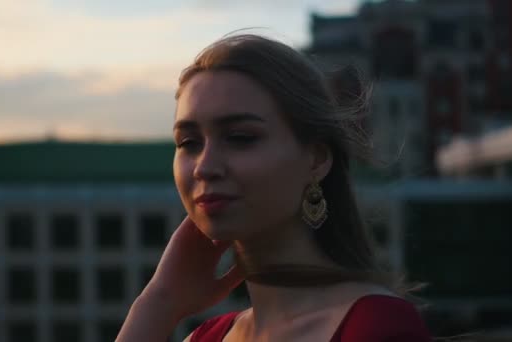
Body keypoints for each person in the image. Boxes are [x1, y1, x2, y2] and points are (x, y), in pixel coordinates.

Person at [116, 34, 431, 342]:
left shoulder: (377, 328)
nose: (204, 167)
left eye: (241, 138)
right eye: (188, 142)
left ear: (317, 159)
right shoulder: (207, 336)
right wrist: (158, 304)